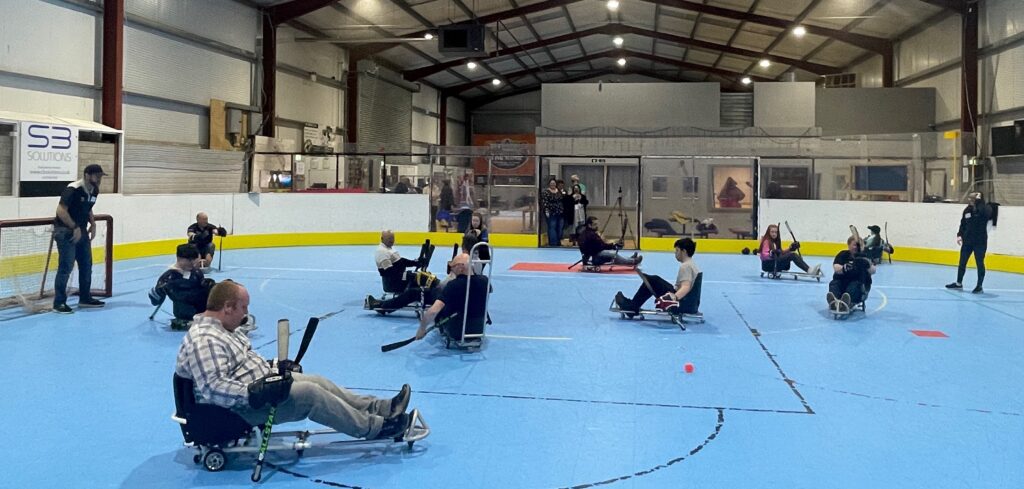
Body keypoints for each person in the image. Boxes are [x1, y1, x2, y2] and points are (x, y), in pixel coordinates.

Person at [175, 281, 414, 440]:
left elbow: (244, 364)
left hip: (258, 387)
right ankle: (375, 427)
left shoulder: (226, 329)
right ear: (227, 307)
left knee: (317, 381)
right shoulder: (205, 340)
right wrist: (257, 391)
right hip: (237, 410)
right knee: (311, 394)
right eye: (243, 307)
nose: (245, 314)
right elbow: (214, 389)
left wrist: (274, 368)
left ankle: (381, 408)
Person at [52, 164, 108, 313]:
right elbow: (61, 210)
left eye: (101, 176)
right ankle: (59, 303)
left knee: (86, 265)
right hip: (65, 231)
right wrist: (74, 227)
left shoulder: (94, 190)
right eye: (97, 176)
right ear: (87, 175)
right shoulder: (73, 189)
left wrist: (93, 223)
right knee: (66, 267)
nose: (99, 179)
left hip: (81, 231)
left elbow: (88, 207)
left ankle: (85, 298)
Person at [614, 238, 701, 315]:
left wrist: (673, 298)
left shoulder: (686, 266)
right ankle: (633, 305)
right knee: (651, 281)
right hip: (690, 303)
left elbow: (686, 287)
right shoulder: (692, 264)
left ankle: (632, 307)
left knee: (653, 281)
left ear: (684, 251)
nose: (675, 253)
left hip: (682, 303)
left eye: (677, 251)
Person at [415, 254, 489, 342]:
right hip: (479, 328)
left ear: (461, 268)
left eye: (453, 267)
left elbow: (433, 311)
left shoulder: (453, 285)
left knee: (440, 301)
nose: (452, 270)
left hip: (458, 330)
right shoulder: (485, 281)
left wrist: (422, 329)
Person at [149, 244, 216, 330]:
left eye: (194, 260)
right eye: (190, 260)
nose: (193, 263)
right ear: (179, 258)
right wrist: (158, 291)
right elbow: (155, 300)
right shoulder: (168, 278)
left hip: (201, 309)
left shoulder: (195, 271)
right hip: (185, 313)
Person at [947, 192, 996, 293]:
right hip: (968, 241)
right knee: (962, 262)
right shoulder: (967, 210)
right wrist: (959, 234)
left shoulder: (985, 209)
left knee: (979, 263)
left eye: (973, 199)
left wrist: (979, 201)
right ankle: (958, 283)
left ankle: (979, 285)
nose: (970, 201)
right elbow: (963, 223)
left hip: (980, 241)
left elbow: (987, 212)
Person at [827, 236, 875, 312]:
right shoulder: (843, 254)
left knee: (853, 286)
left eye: (859, 245)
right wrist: (843, 268)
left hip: (858, 284)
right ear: (849, 245)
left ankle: (846, 302)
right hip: (843, 281)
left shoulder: (865, 256)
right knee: (834, 283)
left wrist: (868, 264)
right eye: (854, 245)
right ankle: (834, 302)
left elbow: (873, 270)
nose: (856, 247)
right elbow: (836, 267)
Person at [542, 178, 564, 247]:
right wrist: (546, 211)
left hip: (560, 212)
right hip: (551, 212)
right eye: (551, 183)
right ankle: (553, 243)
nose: (553, 184)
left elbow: (563, 200)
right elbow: (545, 202)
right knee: (552, 227)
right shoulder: (546, 192)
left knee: (560, 227)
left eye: (554, 183)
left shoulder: (559, 191)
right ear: (549, 184)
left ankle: (558, 241)